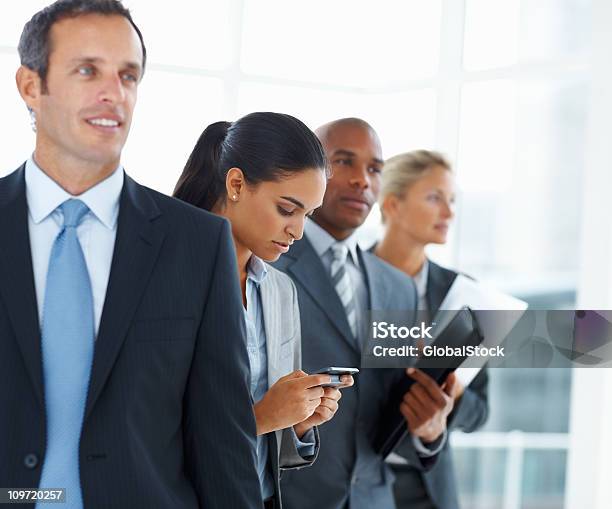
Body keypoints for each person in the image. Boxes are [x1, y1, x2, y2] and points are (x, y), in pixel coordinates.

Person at [0, 1, 262, 508]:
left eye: (128, 75)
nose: (113, 93)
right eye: (87, 70)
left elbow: (223, 443)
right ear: (31, 86)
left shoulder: (198, 244)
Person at [173, 112, 354, 509]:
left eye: (308, 214)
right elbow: (141, 436)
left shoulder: (279, 292)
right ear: (236, 184)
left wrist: (298, 424)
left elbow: (269, 453)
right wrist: (262, 418)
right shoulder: (166, 278)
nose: (298, 231)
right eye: (287, 209)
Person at [273, 118, 457, 509]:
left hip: (374, 498)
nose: (362, 180)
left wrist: (429, 430)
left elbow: (385, 418)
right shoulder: (268, 265)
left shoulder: (397, 287)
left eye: (374, 169)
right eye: (344, 162)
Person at [375, 150, 489, 509]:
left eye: (451, 200)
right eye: (434, 197)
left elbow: (480, 412)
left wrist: (448, 388)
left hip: (429, 489)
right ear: (392, 204)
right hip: (353, 482)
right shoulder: (347, 281)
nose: (449, 212)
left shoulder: (465, 293)